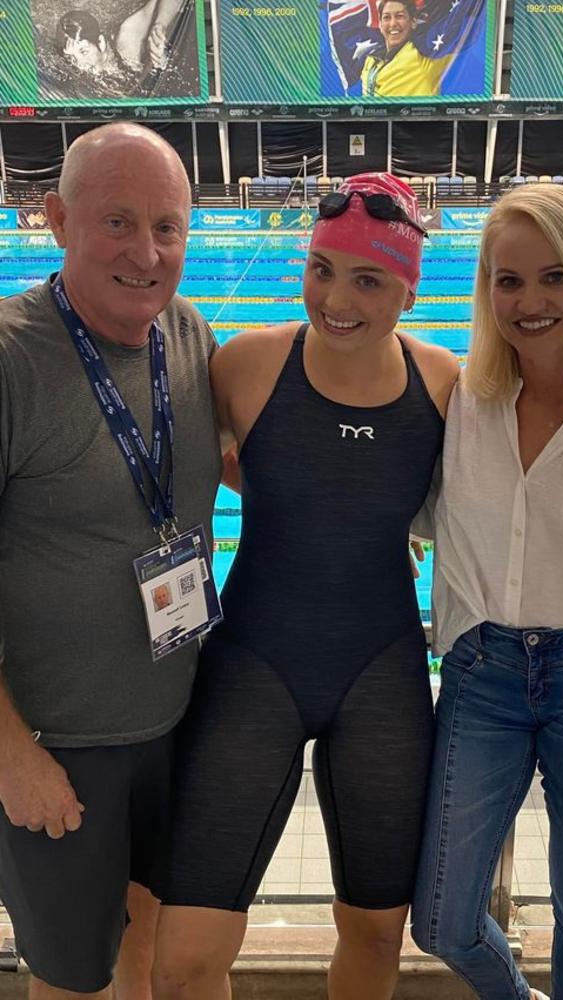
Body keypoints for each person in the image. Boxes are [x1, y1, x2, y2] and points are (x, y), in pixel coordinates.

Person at [151, 173, 459, 1000]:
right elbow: (184, 475)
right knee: (184, 954)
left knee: (375, 932)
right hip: (254, 666)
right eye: (322, 268)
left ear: (408, 288)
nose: (336, 298)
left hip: (383, 674)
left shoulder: (445, 384)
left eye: (368, 280)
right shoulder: (246, 362)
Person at [410, 183, 563, 1000]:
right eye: (508, 281)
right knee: (440, 917)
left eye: (555, 277)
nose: (529, 301)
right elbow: (394, 501)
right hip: (484, 676)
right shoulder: (468, 404)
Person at [0, 122, 220, 999]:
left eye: (167, 226)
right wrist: (9, 752)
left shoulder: (190, 334)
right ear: (56, 218)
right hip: (58, 743)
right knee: (71, 977)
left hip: (176, 725)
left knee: (153, 948)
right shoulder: (13, 358)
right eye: (118, 222)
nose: (147, 251)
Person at [55, 0, 185, 79]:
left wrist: (160, 25)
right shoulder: (76, 70)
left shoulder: (127, 41)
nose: (80, 65)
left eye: (84, 52)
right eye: (73, 58)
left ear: (101, 43)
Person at [361, 0, 445, 97]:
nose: (393, 23)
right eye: (386, 17)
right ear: (380, 24)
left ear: (413, 22)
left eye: (399, 16)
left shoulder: (423, 56)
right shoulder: (370, 60)